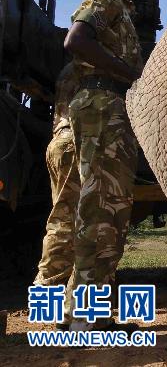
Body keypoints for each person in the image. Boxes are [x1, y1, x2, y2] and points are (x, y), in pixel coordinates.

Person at [62, 0, 145, 331]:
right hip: (100, 102)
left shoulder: (123, 8)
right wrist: (126, 72)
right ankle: (84, 318)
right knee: (100, 207)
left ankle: (84, 312)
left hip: (109, 104)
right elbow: (76, 40)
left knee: (108, 207)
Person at [33, 63, 80, 288]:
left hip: (60, 142)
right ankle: (48, 285)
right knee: (65, 218)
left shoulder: (68, 69)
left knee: (64, 215)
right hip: (73, 142)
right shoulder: (90, 66)